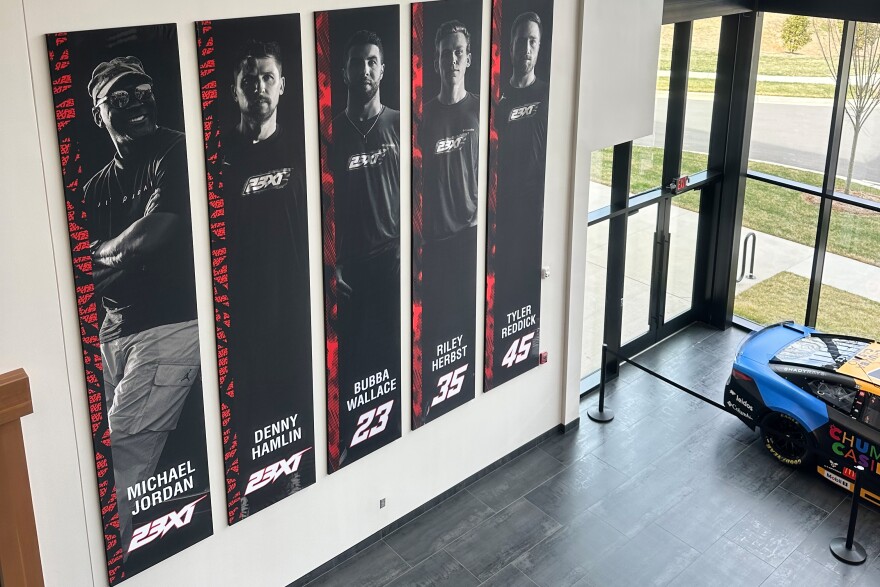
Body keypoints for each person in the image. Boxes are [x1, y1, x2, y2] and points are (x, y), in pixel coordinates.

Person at [84, 56, 201, 555]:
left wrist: (103, 252)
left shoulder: (177, 150)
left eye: (143, 91)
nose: (136, 103)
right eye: (120, 97)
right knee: (103, 449)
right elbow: (85, 274)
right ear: (99, 115)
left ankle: (121, 561)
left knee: (123, 453)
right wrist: (119, 253)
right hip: (113, 332)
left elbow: (153, 236)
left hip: (171, 324)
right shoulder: (94, 188)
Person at [221, 40, 312, 512]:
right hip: (242, 311)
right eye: (249, 79)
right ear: (235, 89)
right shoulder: (220, 157)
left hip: (292, 302)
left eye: (267, 77)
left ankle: (294, 479)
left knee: (294, 393)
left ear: (282, 86)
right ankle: (250, 495)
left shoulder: (303, 147)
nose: (259, 86)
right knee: (250, 405)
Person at [330, 29, 401, 464]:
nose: (365, 69)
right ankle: (350, 445)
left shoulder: (399, 123)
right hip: (349, 270)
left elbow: (418, 192)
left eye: (372, 61)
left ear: (383, 68)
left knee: (394, 352)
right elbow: (322, 204)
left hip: (392, 261)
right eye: (357, 62)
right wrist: (331, 264)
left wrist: (410, 247)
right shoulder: (332, 132)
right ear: (344, 72)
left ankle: (395, 433)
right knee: (351, 363)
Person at [417, 20, 479, 422]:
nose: (452, 59)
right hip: (435, 243)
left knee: (469, 319)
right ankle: (433, 400)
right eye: (445, 53)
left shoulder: (480, 109)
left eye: (458, 52)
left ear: (468, 58)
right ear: (436, 61)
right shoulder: (423, 116)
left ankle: (469, 393)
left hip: (471, 238)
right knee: (436, 327)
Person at [491, 12, 550, 375]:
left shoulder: (546, 94)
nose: (526, 48)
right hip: (505, 214)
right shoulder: (499, 100)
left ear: (539, 48)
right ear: (510, 46)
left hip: (536, 214)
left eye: (533, 41)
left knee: (532, 283)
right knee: (506, 283)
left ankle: (531, 348)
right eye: (521, 41)